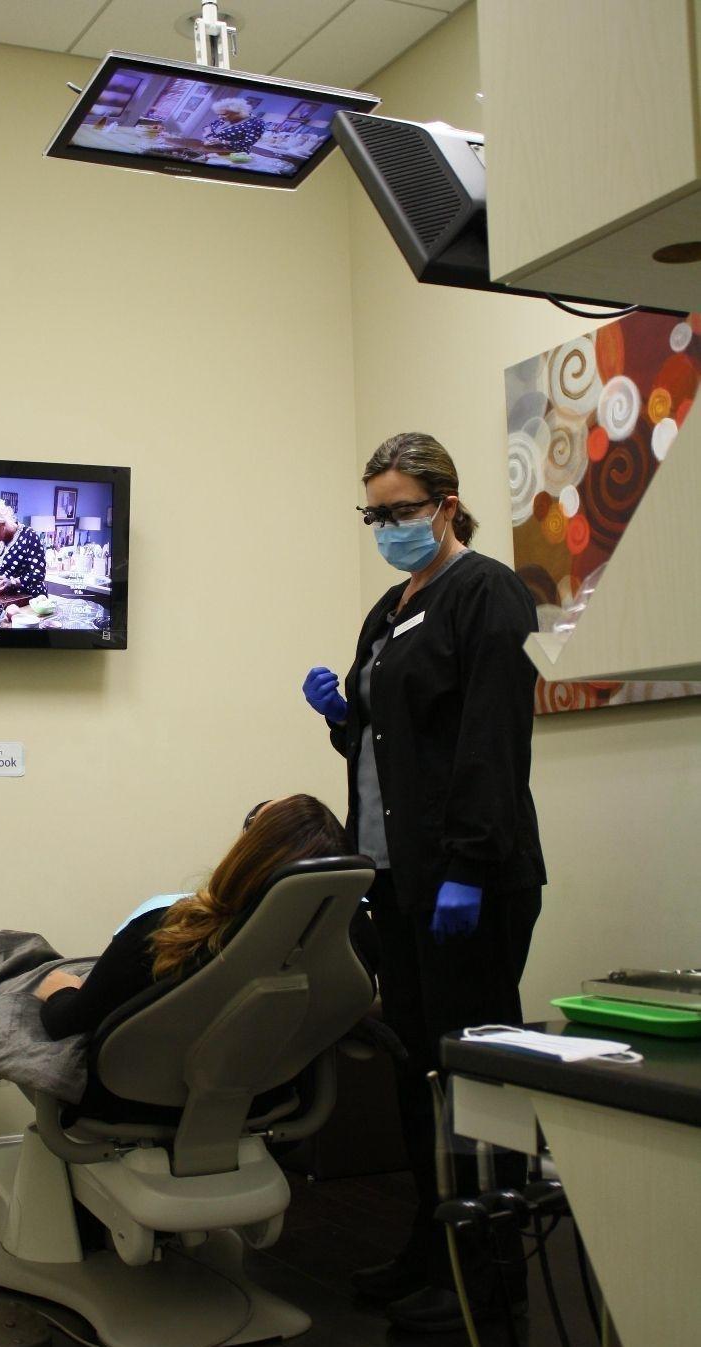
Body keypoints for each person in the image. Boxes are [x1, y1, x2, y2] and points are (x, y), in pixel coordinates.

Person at [301, 431, 545, 1334]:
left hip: (469, 881)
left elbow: (490, 744)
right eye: (375, 514)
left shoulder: (486, 592)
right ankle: (428, 1241)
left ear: (445, 502)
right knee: (418, 1073)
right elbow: (383, 746)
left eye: (400, 510)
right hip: (401, 883)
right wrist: (341, 715)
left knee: (472, 1073)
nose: (387, 526)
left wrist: (471, 871)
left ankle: (491, 1271)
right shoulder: (388, 609)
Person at [34, 795, 348, 1045]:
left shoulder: (164, 931)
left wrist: (62, 990)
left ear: (249, 854)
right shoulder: (344, 944)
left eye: (255, 819)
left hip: (139, 1097)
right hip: (276, 1092)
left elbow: (67, 1023)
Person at [0, 496, 47, 597]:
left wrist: (12, 582)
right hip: (7, 597)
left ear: (3, 522)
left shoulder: (29, 536)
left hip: (31, 598)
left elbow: (38, 574)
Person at [199, 96, 267, 156]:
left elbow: (248, 142)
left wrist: (223, 142)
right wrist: (208, 132)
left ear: (238, 113)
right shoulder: (225, 118)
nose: (220, 117)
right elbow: (211, 126)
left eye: (224, 114)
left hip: (233, 155)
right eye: (218, 114)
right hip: (212, 151)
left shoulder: (256, 122)